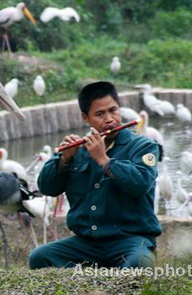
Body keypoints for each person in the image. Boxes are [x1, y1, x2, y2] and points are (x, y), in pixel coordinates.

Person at [29, 81, 161, 269]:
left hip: (130, 240)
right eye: (100, 114)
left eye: (113, 110)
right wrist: (64, 160)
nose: (109, 119)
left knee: (138, 264)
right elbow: (47, 188)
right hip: (86, 244)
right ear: (86, 118)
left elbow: (140, 184)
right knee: (40, 257)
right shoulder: (77, 149)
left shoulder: (143, 146)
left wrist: (104, 160)